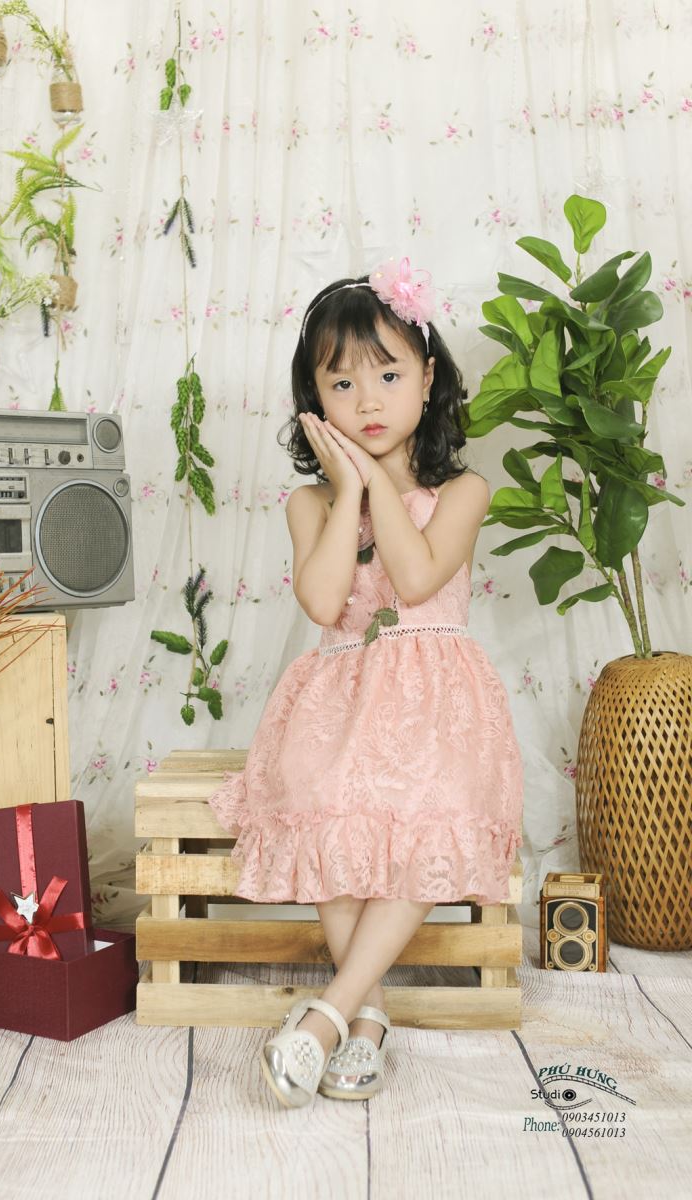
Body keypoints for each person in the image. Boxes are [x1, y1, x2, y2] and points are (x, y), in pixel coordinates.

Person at [207, 256, 524, 1109]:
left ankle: (325, 1017)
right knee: (327, 800)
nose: (368, 401)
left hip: (438, 707)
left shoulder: (464, 491)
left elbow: (415, 578)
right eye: (342, 384)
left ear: (429, 379)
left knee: (430, 803)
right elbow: (323, 602)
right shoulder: (313, 504)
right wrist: (346, 483)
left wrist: (376, 476)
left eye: (388, 375)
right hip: (339, 701)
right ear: (314, 403)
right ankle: (368, 1020)